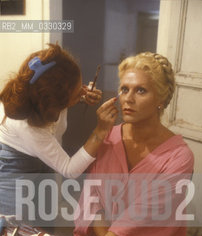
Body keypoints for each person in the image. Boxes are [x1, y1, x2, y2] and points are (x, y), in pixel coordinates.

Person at [72, 52, 194, 236]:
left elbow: (145, 212)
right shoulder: (108, 137)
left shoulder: (179, 156)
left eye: (140, 90)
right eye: (124, 89)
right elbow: (92, 199)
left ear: (161, 98)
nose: (128, 98)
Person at [0, 43, 118, 216]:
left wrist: (82, 95)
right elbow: (69, 170)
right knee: (18, 229)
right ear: (57, 101)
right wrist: (100, 131)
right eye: (78, 92)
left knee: (44, 221)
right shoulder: (29, 127)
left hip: (39, 159)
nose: (83, 91)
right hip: (15, 169)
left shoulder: (42, 96)